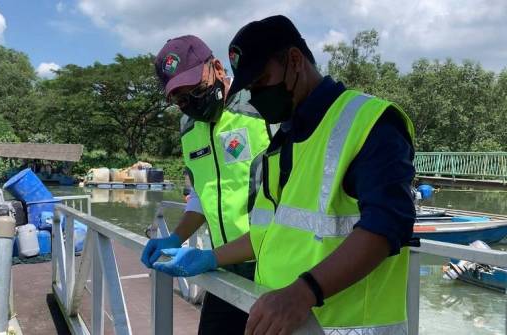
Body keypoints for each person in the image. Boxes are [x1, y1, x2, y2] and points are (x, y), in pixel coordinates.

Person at [152, 16, 416, 335]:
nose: (257, 97)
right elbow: (266, 233)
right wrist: (208, 257)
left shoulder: (370, 122)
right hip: (277, 309)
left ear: (294, 61)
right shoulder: (285, 141)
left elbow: (388, 224)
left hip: (337, 322)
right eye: (249, 88)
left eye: (261, 82)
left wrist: (304, 291)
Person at [142, 35, 274, 334]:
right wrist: (175, 238)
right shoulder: (188, 128)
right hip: (225, 265)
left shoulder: (262, 106)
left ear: (216, 67)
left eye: (194, 88)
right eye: (179, 98)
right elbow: (204, 194)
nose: (189, 102)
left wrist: (210, 257)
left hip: (273, 270)